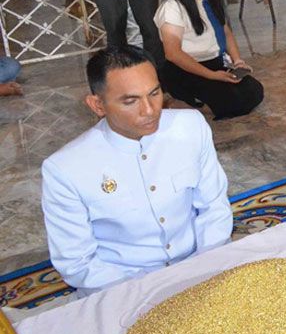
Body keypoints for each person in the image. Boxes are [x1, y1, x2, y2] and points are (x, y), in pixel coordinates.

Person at [41, 45, 232, 293]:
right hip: (120, 288)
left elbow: (213, 207)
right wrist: (149, 291)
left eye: (154, 93)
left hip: (198, 267)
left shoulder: (190, 127)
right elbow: (77, 263)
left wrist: (206, 267)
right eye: (130, 101)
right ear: (97, 105)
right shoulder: (65, 168)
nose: (150, 110)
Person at [154, 0, 264, 119]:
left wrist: (237, 61)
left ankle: (200, 101)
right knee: (232, 103)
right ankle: (180, 103)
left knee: (254, 91)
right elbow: (173, 53)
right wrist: (212, 76)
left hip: (215, 63)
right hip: (187, 70)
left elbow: (225, 32)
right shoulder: (171, 7)